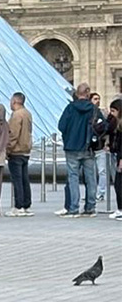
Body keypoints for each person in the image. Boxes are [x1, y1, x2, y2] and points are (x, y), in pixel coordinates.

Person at [57, 84, 98, 218]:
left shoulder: (70, 108)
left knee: (73, 178)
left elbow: (61, 126)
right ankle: (90, 207)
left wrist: (69, 135)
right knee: (90, 178)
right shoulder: (93, 109)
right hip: (88, 147)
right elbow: (102, 126)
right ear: (88, 93)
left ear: (76, 93)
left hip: (71, 147)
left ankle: (74, 207)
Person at [6, 92, 34, 217]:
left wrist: (8, 149)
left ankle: (19, 206)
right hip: (25, 150)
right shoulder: (27, 113)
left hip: (16, 151)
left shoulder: (16, 115)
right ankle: (26, 204)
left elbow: (13, 134)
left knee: (17, 180)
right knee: (24, 179)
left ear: (14, 101)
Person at [107, 99, 122, 220]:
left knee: (119, 183)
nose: (111, 113)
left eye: (113, 111)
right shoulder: (116, 123)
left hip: (120, 156)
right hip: (117, 154)